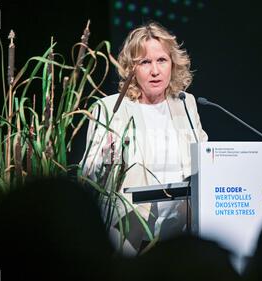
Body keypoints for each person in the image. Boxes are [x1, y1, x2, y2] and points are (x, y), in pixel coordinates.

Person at [81, 22, 208, 256]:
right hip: (130, 228)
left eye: (161, 60)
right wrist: (105, 158)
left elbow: (204, 159)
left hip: (182, 226)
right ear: (131, 68)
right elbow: (88, 174)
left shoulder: (185, 103)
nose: (155, 71)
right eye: (145, 62)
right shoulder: (110, 108)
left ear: (173, 63)